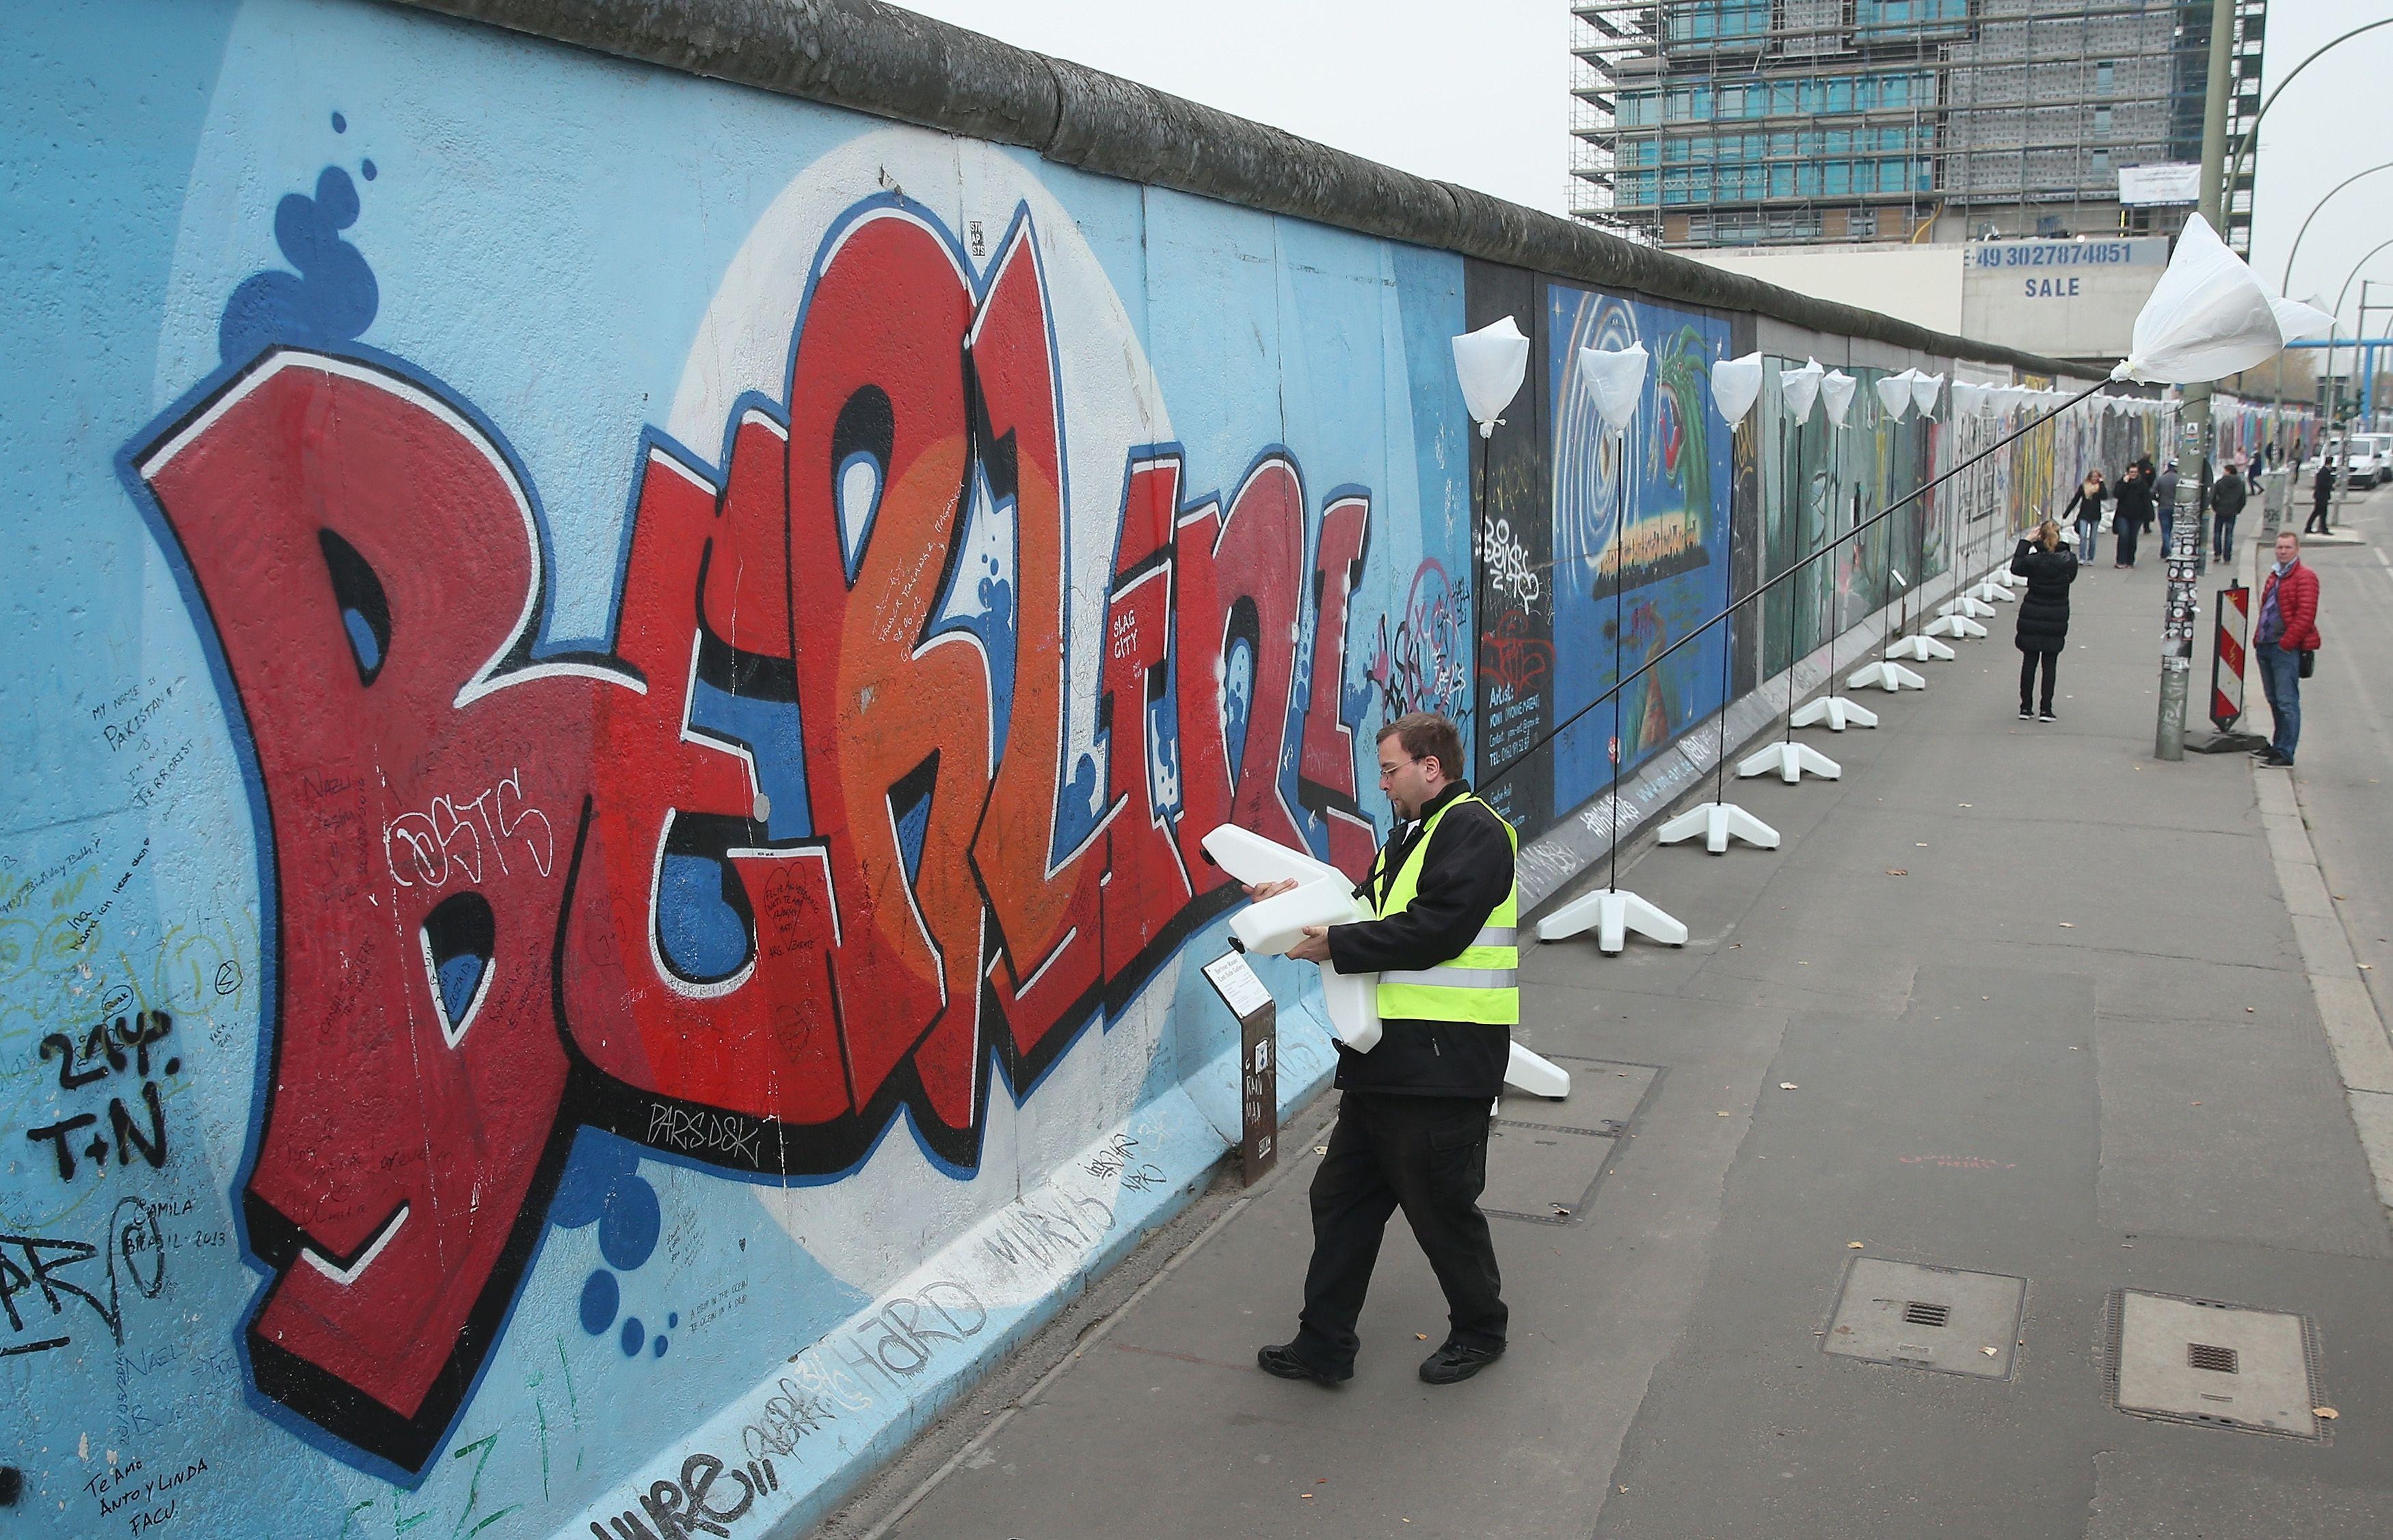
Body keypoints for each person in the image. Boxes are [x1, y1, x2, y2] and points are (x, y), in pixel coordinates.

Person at [1253, 712, 1516, 1388]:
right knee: (1339, 1199)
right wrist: (1289, 910)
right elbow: (1362, 912)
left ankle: (1481, 1330)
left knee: (1441, 1211)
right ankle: (1323, 1345)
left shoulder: (1474, 831)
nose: (1382, 781)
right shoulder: (1413, 836)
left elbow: (1435, 930)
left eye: (1391, 768)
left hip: (1442, 1065)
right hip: (1386, 1061)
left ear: (1431, 767)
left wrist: (1334, 943)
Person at [2252, 530, 2321, 767]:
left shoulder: (2305, 577)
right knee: (2273, 699)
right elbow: (2266, 609)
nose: (2283, 551)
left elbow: (2305, 615)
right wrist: (2257, 638)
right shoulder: (2275, 574)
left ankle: (2286, 752)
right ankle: (2277, 745)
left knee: (2286, 701)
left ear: (2297, 550)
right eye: (2280, 548)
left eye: (2287, 548)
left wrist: (2286, 644)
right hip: (2265, 645)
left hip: (2284, 648)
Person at [2011, 518, 2078, 721]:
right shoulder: (2069, 561)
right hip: (2056, 615)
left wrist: (2026, 542)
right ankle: (2046, 709)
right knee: (2050, 662)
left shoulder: (2033, 561)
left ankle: (2026, 707)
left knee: (2029, 661)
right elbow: (2071, 578)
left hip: (2032, 612)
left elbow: (2016, 567)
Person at [2112, 461, 2152, 568]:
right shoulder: (2122, 483)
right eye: (2131, 472)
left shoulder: (2142, 485)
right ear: (2127, 473)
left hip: (2137, 516)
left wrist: (2149, 515)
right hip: (2123, 515)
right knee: (2124, 536)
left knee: (2132, 538)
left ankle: (2130, 561)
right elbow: (2117, 494)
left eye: (2135, 472)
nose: (2133, 474)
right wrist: (2124, 483)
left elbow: (2147, 500)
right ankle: (2121, 561)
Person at [2063, 469, 2107, 563]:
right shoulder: (2084, 487)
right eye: (2093, 476)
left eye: (2096, 477)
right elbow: (2076, 500)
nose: (2094, 479)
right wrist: (2066, 513)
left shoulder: (2099, 488)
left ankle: (2091, 558)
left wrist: (2102, 484)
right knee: (2083, 536)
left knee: (2093, 538)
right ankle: (2082, 557)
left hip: (2095, 516)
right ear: (2089, 477)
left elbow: (2104, 496)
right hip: (2084, 514)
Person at [2210, 459, 2248, 563]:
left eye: (2225, 470)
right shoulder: (2240, 483)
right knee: (2229, 534)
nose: (2223, 472)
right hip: (2232, 511)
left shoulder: (2220, 482)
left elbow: (2213, 497)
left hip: (2220, 510)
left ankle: (2217, 554)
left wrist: (2215, 507)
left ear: (2229, 471)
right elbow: (2243, 499)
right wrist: (2238, 509)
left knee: (2217, 532)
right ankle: (2227, 557)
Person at [2155, 459, 2180, 557]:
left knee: (2165, 530)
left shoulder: (2161, 479)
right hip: (2176, 507)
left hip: (2163, 507)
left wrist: (2158, 500)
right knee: (2174, 530)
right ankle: (2170, 550)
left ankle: (2166, 550)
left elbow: (2151, 492)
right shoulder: (2179, 479)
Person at [2305, 455, 2336, 535]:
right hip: (2322, 496)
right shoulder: (2324, 472)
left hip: (2321, 496)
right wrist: (2331, 485)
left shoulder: (2324, 471)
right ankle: (2323, 529)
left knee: (2318, 512)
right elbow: (2322, 484)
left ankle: (2310, 527)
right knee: (2322, 513)